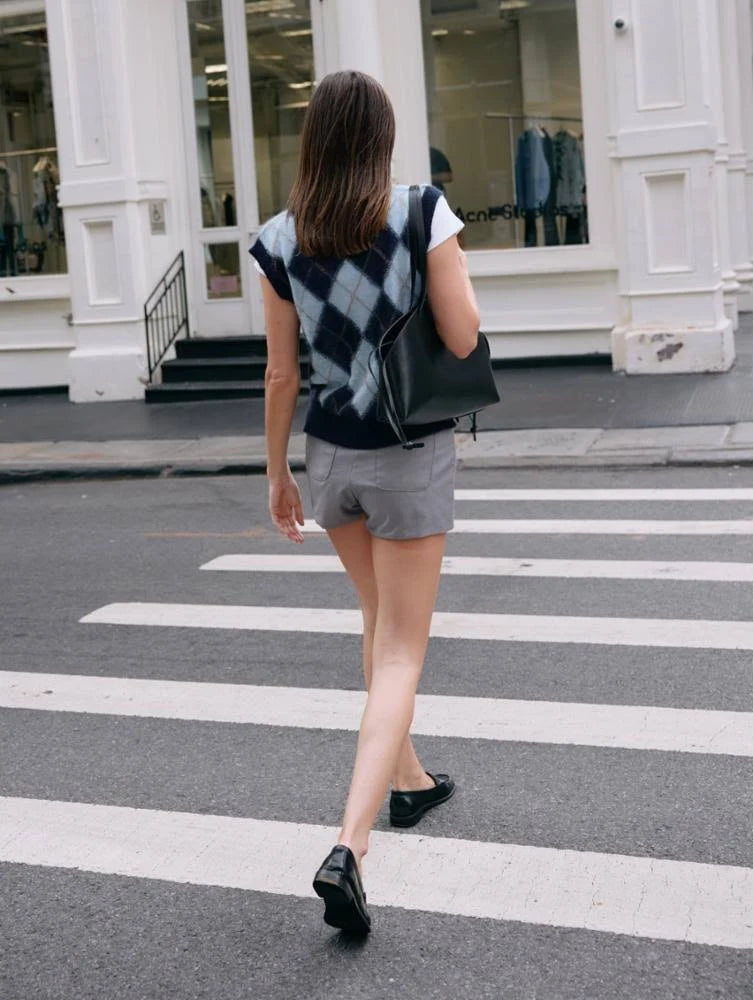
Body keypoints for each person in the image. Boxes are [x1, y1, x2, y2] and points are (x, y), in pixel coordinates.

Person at [249, 69, 480, 937]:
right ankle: (349, 844)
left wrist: (277, 477)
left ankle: (410, 785)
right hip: (406, 453)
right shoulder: (420, 212)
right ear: (380, 138)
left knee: (376, 619)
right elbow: (461, 337)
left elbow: (280, 373)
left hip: (330, 455)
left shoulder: (277, 237)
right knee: (400, 653)